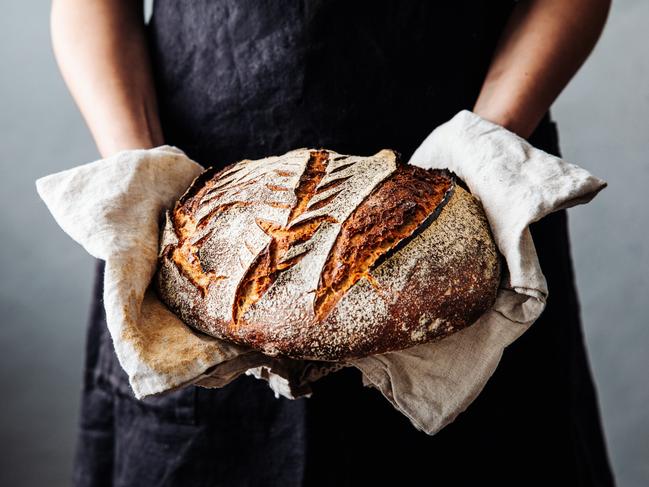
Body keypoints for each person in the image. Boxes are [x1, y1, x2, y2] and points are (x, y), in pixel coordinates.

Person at [51, 0, 615, 485]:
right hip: (202, 226)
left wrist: (486, 144)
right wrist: (148, 178)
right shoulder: (181, 231)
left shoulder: (473, 192)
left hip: (474, 199)